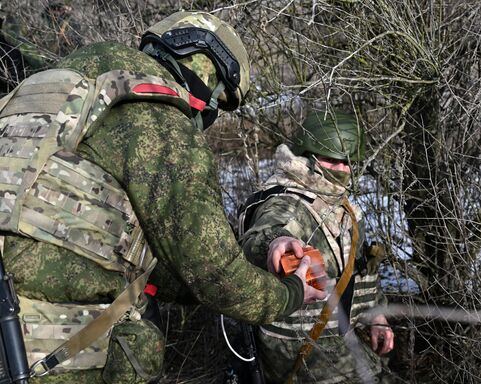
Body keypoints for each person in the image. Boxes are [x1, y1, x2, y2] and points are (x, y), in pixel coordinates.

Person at [0, 10, 324, 384]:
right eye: (222, 98)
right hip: (52, 357)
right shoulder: (158, 121)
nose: (214, 111)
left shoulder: (49, 95)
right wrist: (290, 293)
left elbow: (150, 260)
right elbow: (212, 274)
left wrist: (256, 253)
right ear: (214, 77)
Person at [238, 110, 394, 383]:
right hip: (303, 356)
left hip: (340, 344)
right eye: (332, 160)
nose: (342, 169)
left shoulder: (337, 203)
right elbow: (261, 237)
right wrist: (275, 242)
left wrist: (376, 317)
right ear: (307, 157)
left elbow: (359, 272)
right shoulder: (289, 203)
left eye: (347, 162)